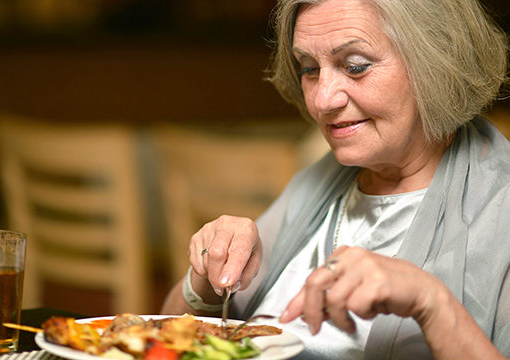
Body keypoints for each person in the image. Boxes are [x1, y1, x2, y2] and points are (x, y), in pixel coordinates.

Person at [161, 0, 510, 358]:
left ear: (438, 61)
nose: (322, 100)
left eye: (356, 66)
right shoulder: (319, 181)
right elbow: (165, 330)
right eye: (309, 69)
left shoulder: (501, 209)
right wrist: (206, 275)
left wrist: (433, 303)